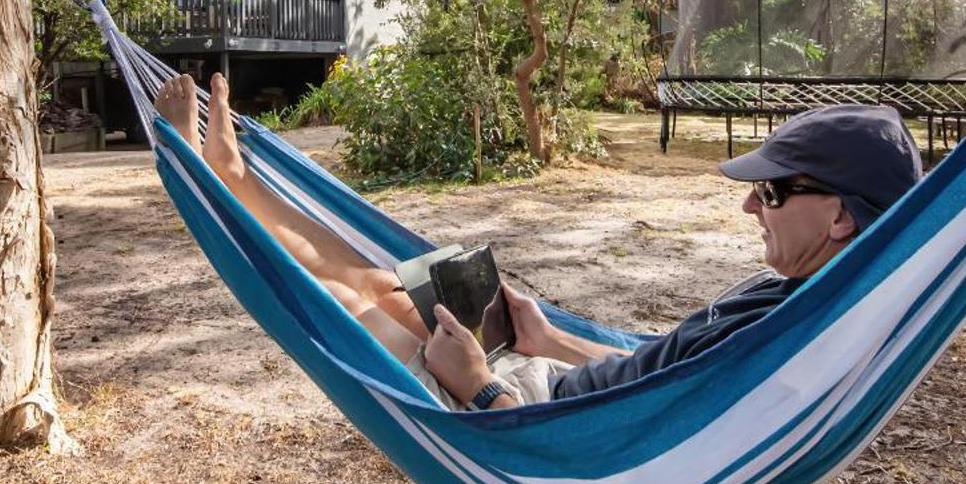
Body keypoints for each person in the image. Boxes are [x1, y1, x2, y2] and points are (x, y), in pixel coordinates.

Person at [154, 74, 922, 412]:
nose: (752, 201)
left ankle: (223, 187)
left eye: (775, 189)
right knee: (390, 283)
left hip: (528, 420)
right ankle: (236, 181)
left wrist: (479, 384)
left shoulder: (785, 335)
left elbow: (644, 423)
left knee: (348, 305)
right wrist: (551, 338)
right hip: (547, 380)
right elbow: (662, 376)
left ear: (841, 218)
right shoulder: (795, 297)